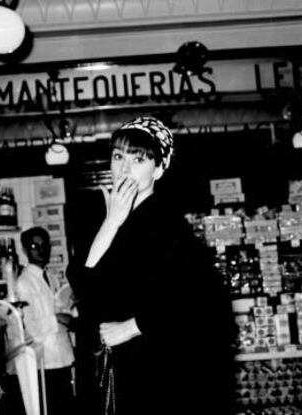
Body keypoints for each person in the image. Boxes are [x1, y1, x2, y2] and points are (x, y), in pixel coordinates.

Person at [67, 116, 236, 415]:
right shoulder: (105, 218)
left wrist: (133, 326)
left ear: (158, 169)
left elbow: (202, 300)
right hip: (117, 368)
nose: (125, 167)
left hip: (159, 368)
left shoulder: (166, 224)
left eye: (138, 159)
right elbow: (82, 282)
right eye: (118, 156)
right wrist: (112, 221)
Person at [15, 226, 76, 415]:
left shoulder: (50, 277)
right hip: (43, 363)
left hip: (63, 357)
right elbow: (30, 328)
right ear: (25, 250)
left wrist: (70, 308)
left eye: (44, 245)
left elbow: (58, 309)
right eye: (34, 246)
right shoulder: (23, 283)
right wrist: (58, 317)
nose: (41, 250)